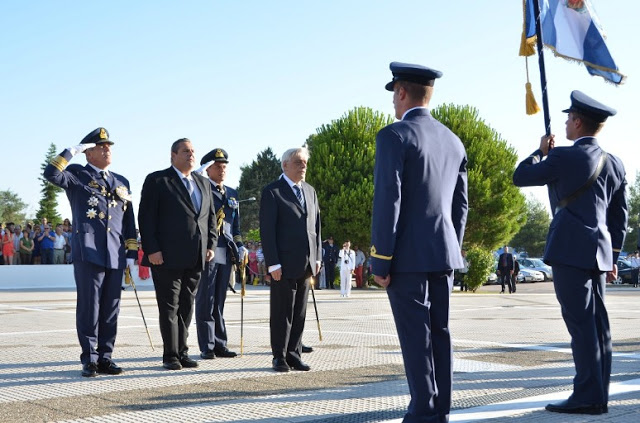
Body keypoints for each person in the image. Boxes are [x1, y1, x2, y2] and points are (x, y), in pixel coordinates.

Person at [513, 90, 627, 415]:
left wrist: (540, 152)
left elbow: (520, 177)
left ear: (578, 122)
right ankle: (598, 395)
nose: (565, 122)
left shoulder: (563, 157)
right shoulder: (614, 163)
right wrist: (614, 257)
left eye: (568, 117)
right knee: (598, 326)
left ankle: (586, 397)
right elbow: (619, 217)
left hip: (569, 251)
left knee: (580, 325)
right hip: (600, 253)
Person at [370, 62, 468, 423]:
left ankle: (423, 412)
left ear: (401, 92)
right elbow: (461, 205)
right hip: (443, 255)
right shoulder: (453, 140)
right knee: (439, 334)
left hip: (407, 259)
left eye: (393, 96)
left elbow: (388, 201)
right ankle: (439, 410)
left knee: (415, 338)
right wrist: (450, 247)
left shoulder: (394, 135)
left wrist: (381, 259)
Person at [44, 127, 138, 377]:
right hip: (89, 251)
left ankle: (106, 357)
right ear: (88, 153)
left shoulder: (121, 181)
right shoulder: (77, 174)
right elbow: (51, 173)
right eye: (101, 146)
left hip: (115, 253)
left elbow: (128, 219)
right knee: (90, 306)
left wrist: (131, 251)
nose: (107, 149)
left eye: (109, 146)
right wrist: (71, 151)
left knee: (111, 307)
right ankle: (90, 358)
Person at [138, 138, 217, 371]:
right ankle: (170, 354)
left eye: (193, 151)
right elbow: (146, 217)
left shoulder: (203, 183)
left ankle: (183, 351)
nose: (191, 155)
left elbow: (209, 218)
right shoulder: (158, 180)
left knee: (186, 305)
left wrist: (210, 244)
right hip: (166, 257)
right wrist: (152, 249)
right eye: (185, 151)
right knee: (169, 306)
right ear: (173, 155)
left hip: (196, 256)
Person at [259, 147, 322, 373]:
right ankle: (279, 356)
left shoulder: (310, 191)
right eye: (298, 162)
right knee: (281, 312)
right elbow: (267, 231)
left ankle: (294, 354)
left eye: (305, 162)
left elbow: (316, 227)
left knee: (300, 312)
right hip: (282, 264)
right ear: (285, 165)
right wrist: (273, 262)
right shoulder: (273, 192)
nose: (303, 166)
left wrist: (317, 256)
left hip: (306, 263)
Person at [195, 148, 246, 359]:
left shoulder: (232, 193)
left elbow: (236, 226)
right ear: (208, 169)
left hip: (227, 250)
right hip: (208, 249)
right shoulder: (202, 188)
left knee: (220, 299)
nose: (222, 169)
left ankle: (220, 343)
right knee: (206, 298)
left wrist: (241, 245)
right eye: (217, 166)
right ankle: (207, 345)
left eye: (224, 166)